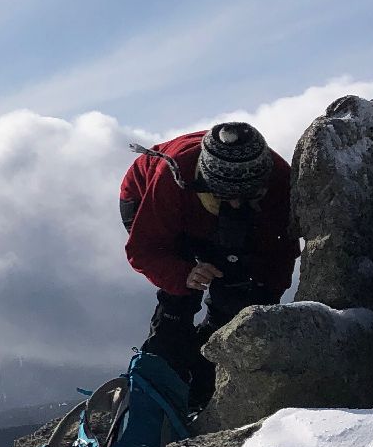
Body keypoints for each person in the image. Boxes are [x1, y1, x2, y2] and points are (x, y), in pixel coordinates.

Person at [119, 121, 299, 409]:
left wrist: (259, 302)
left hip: (203, 205)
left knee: (235, 290)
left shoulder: (279, 181)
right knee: (179, 299)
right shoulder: (173, 177)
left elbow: (279, 252)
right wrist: (184, 274)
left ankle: (204, 385)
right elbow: (145, 249)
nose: (236, 205)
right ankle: (158, 386)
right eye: (225, 197)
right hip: (148, 197)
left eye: (248, 196)